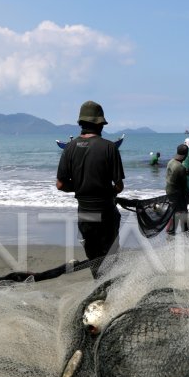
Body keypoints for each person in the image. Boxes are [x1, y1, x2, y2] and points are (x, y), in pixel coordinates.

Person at [56, 100, 126, 268]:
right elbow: (119, 187)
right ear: (100, 124)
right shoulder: (109, 147)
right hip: (106, 211)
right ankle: (109, 286)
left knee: (94, 255)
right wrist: (106, 190)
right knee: (110, 254)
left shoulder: (70, 148)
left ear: (81, 123)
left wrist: (80, 186)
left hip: (85, 212)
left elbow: (60, 184)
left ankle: (98, 283)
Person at [165, 144, 189, 234]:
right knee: (182, 211)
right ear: (186, 154)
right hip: (177, 192)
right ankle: (181, 230)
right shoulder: (181, 167)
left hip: (169, 190)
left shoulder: (171, 162)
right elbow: (184, 186)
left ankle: (173, 230)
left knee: (174, 210)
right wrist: (188, 195)